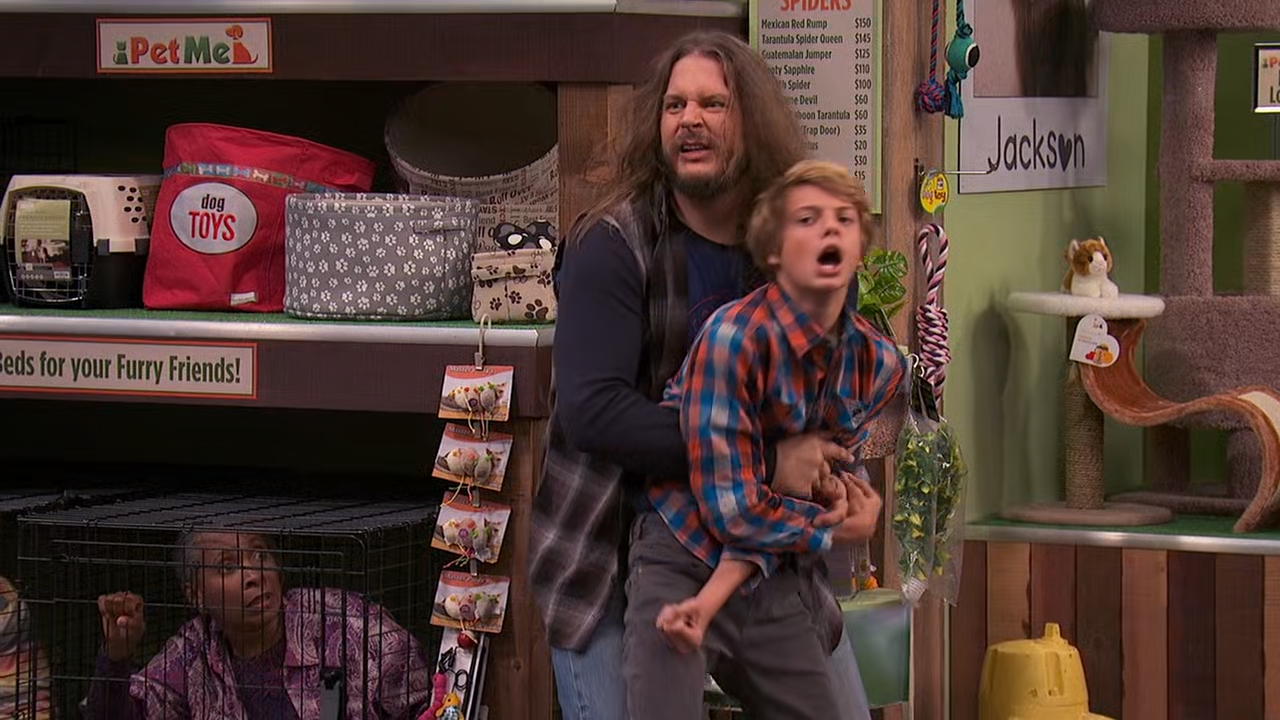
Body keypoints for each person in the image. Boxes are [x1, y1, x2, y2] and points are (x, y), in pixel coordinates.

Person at [528, 30, 877, 720]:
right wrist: (765, 458)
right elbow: (593, 413)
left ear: (754, 122)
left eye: (713, 104)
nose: (690, 119)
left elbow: (830, 400)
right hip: (610, 555)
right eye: (675, 105)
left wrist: (846, 487)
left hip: (756, 549)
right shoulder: (613, 245)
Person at [626, 160, 905, 720]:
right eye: (807, 219)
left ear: (859, 249)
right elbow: (734, 511)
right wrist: (830, 527)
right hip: (683, 553)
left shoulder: (876, 363)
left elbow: (812, 483)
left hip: (770, 568)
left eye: (844, 219)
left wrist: (843, 496)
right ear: (773, 250)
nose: (829, 229)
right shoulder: (733, 340)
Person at [85, 530, 430, 720]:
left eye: (260, 555)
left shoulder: (348, 623)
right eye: (228, 567)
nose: (254, 575)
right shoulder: (191, 652)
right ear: (196, 595)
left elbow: (430, 705)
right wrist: (117, 656)